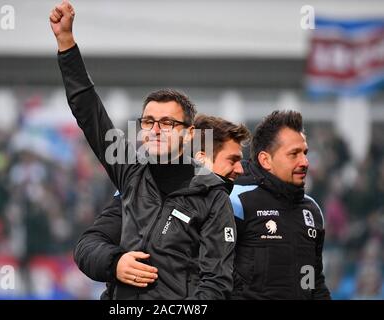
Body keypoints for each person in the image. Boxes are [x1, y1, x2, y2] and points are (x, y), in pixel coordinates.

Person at [50, 1, 239, 299]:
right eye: (149, 121)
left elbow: (216, 285)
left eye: (167, 122)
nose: (156, 129)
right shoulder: (131, 174)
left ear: (189, 134)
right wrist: (66, 43)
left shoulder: (212, 196)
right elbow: (90, 113)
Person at [74, 115, 251, 299]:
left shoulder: (240, 205)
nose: (240, 169)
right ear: (202, 159)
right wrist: (115, 262)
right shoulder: (138, 192)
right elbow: (88, 245)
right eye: (232, 160)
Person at [231, 110, 331, 299]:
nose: (305, 162)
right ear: (265, 160)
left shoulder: (312, 211)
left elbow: (313, 281)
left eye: (305, 153)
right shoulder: (236, 201)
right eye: (294, 154)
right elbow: (209, 272)